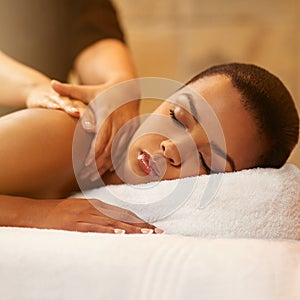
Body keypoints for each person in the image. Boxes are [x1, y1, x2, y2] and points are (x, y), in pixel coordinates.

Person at [0, 63, 298, 234]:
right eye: (178, 117)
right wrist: (35, 214)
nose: (172, 148)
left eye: (208, 163)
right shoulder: (70, 132)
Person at [0, 0, 138, 180]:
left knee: (77, 131)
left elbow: (96, 39)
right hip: (42, 116)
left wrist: (120, 86)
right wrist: (35, 89)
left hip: (50, 126)